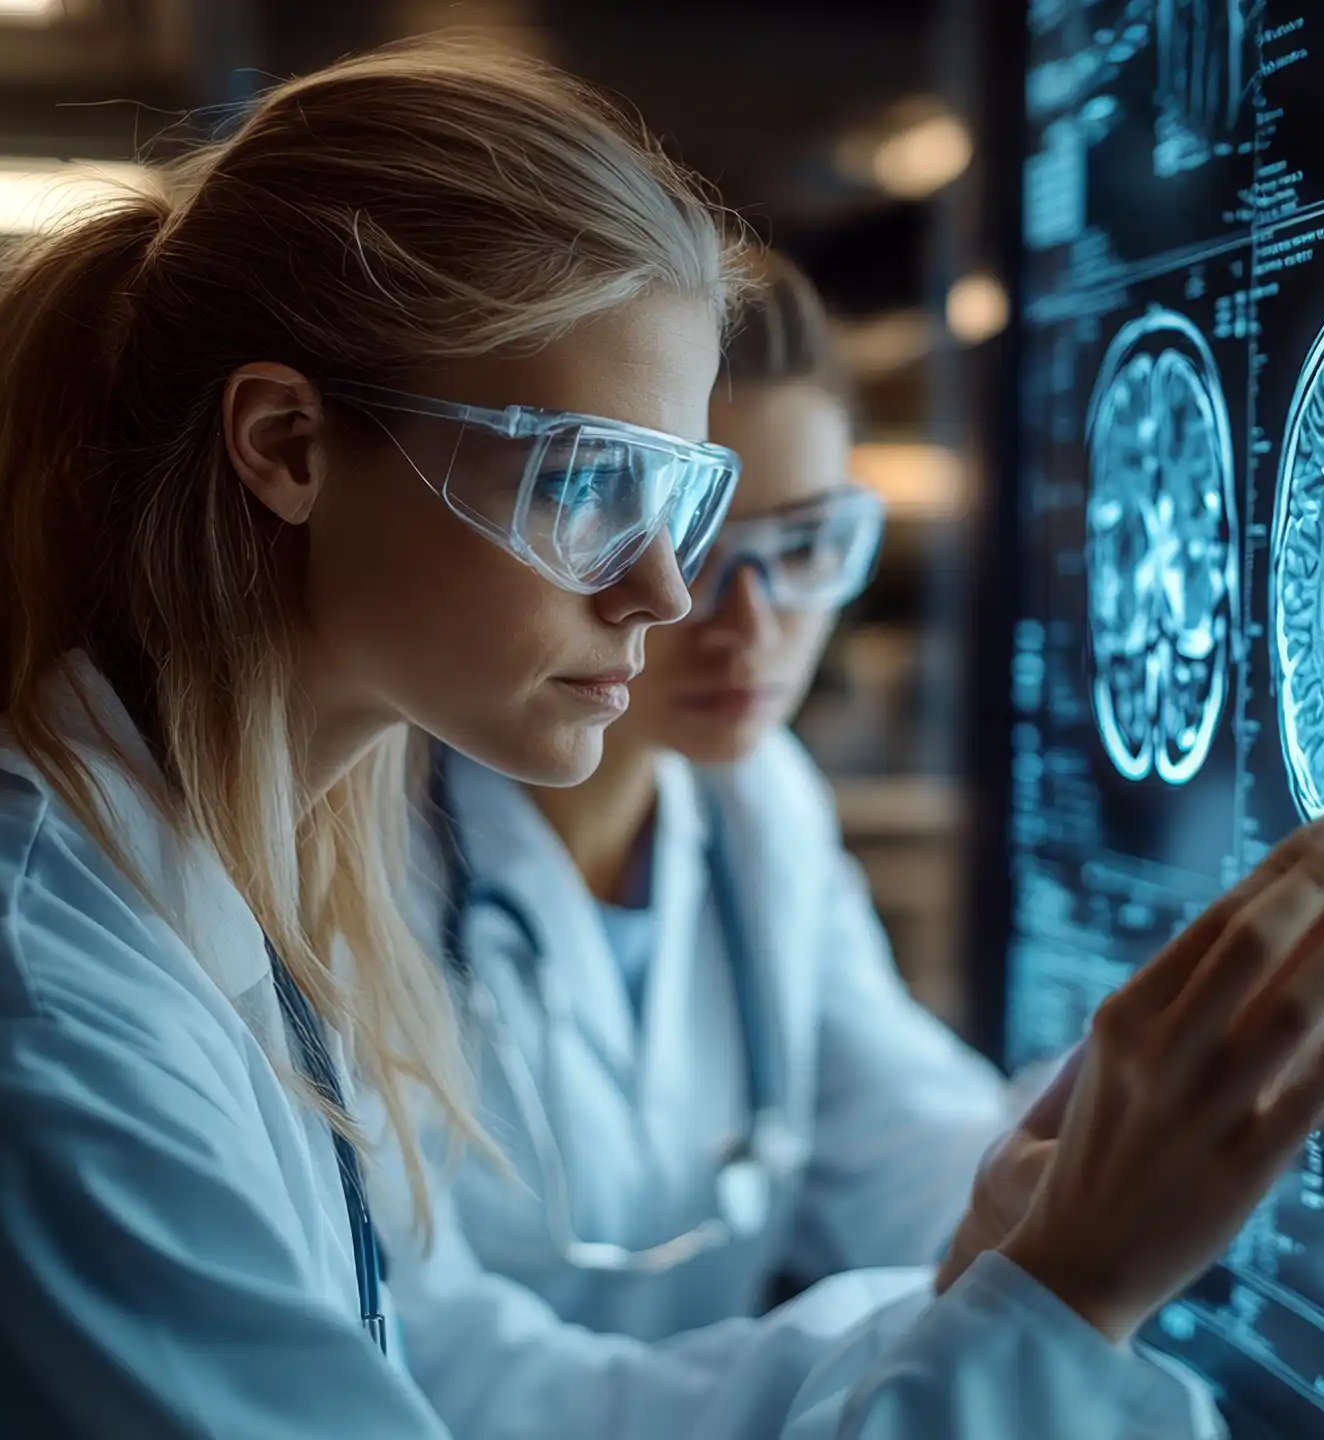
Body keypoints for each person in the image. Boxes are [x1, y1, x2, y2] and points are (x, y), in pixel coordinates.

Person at [0, 39, 1324, 1440]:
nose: (667, 592)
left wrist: (1014, 1260)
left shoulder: (227, 885)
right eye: (584, 484)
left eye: (684, 499)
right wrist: (1053, 1309)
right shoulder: (40, 1039)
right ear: (282, 446)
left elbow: (403, 1369)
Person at [381, 252, 1031, 1436]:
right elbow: (438, 1369)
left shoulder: (758, 804)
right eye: (691, 535)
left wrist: (1100, 1146)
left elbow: (911, 1149)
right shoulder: (367, 841)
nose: (739, 624)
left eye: (803, 548)